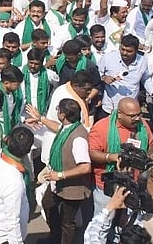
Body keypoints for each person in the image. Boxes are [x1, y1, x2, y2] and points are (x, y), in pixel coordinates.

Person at [87, 97, 153, 213]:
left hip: (135, 184)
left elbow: (151, 144)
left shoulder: (142, 126)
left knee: (128, 223)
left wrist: (150, 155)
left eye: (139, 114)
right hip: (108, 186)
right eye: (132, 116)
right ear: (119, 114)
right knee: (105, 221)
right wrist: (112, 157)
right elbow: (92, 152)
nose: (137, 118)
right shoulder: (102, 127)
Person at [40, 99, 93, 244]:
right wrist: (41, 119)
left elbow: (85, 167)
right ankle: (55, 237)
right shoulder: (68, 128)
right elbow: (58, 128)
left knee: (67, 222)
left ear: (63, 115)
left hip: (72, 187)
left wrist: (60, 175)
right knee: (48, 204)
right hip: (57, 184)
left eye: (58, 110)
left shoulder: (78, 138)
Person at [0, 126, 34, 244]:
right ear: (28, 151)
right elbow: (12, 222)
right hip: (3, 238)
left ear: (8, 140)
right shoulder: (14, 181)